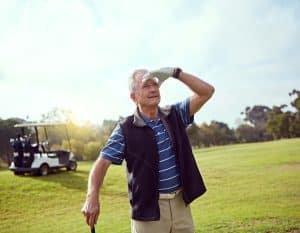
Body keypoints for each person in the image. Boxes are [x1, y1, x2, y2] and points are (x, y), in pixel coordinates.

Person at [82, 67, 215, 233]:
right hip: (148, 212)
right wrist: (92, 196)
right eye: (146, 86)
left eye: (155, 84)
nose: (153, 89)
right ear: (134, 96)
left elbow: (207, 92)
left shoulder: (174, 114)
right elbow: (101, 164)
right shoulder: (125, 129)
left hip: (181, 204)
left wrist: (176, 73)